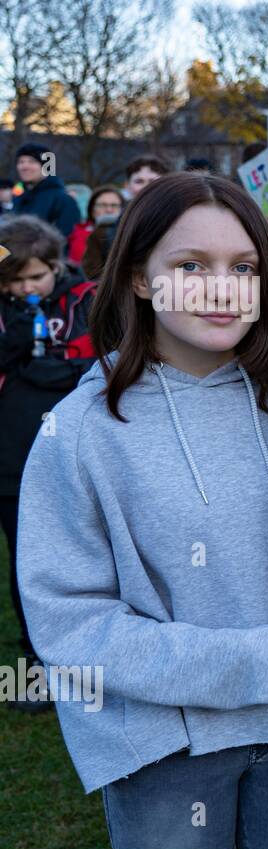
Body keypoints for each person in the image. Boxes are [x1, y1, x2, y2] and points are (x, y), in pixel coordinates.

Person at [16, 172, 268, 849]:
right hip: (162, 746)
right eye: (191, 265)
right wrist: (262, 659)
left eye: (244, 266)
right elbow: (71, 623)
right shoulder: (80, 430)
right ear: (142, 279)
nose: (223, 286)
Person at [0, 217, 96, 694]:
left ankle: (92, 646)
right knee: (26, 557)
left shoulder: (86, 299)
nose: (25, 287)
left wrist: (54, 369)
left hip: (80, 451)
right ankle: (36, 659)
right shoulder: (6, 309)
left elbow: (104, 358)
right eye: (14, 280)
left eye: (34, 277)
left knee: (85, 550)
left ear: (56, 266)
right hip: (12, 457)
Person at [82, 155, 169, 279]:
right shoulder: (105, 229)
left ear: (166, 184)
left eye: (153, 181)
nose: (147, 187)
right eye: (139, 181)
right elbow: (93, 275)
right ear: (127, 185)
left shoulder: (181, 221)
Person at [11, 143, 80, 239]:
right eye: (21, 162)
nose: (25, 166)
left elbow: (66, 239)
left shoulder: (63, 200)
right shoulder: (18, 198)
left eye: (32, 161)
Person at [67, 186, 124, 268]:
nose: (109, 210)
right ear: (92, 210)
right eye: (103, 205)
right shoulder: (76, 232)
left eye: (114, 205)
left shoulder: (128, 234)